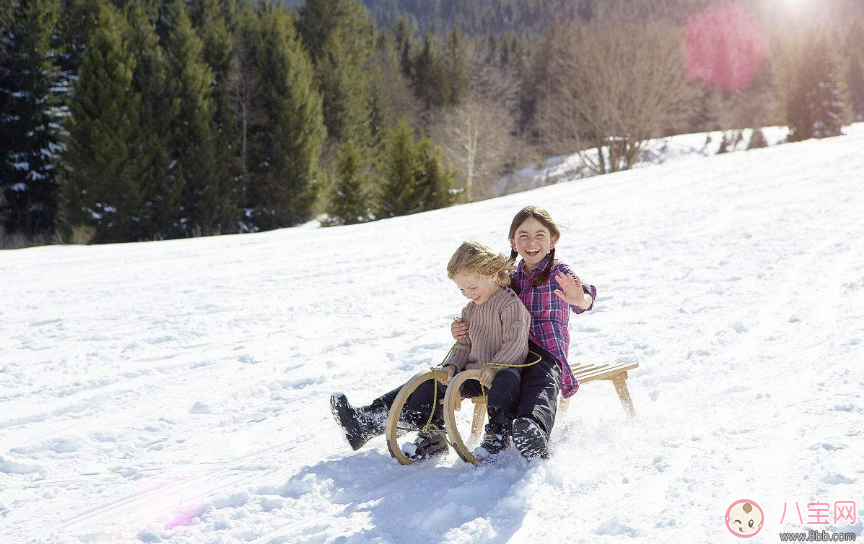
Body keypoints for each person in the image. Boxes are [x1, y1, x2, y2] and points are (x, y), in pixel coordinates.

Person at [330, 241, 531, 461]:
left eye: (472, 288)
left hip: (504, 373)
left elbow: (515, 343)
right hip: (471, 374)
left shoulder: (510, 305)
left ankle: (498, 437)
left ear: (492, 274)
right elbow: (464, 345)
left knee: (506, 383)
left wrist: (493, 368)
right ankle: (431, 432)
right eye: (461, 289)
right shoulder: (470, 309)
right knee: (429, 382)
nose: (467, 294)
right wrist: (452, 365)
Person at [451, 206, 596, 460]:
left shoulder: (559, 273)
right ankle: (496, 432)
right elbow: (482, 303)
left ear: (553, 240)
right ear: (513, 242)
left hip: (546, 353)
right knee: (509, 380)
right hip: (510, 351)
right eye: (523, 236)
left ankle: (532, 429)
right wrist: (462, 327)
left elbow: (585, 297)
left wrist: (579, 298)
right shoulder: (511, 277)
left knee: (539, 383)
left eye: (540, 235)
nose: (532, 242)